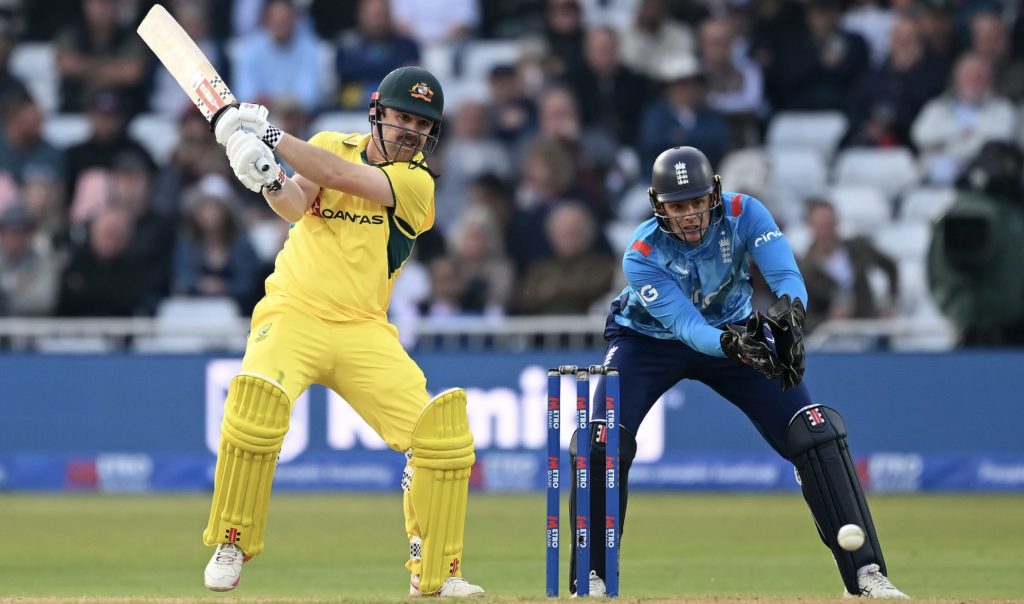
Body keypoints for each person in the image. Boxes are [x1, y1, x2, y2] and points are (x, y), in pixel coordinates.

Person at [569, 146, 910, 599]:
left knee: (815, 431)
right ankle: (589, 580)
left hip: (735, 329)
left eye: (696, 202)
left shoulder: (746, 212)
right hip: (647, 342)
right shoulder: (641, 254)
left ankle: (866, 575)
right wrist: (732, 343)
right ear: (658, 207)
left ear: (713, 194)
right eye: (677, 206)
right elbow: (688, 328)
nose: (690, 216)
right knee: (602, 440)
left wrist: (791, 316)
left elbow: (786, 275)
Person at [199, 66, 485, 597]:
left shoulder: (416, 182)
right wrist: (267, 177)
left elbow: (344, 177)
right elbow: (293, 206)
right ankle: (232, 540)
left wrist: (272, 137)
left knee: (440, 437)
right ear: (377, 113)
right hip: (294, 312)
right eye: (401, 118)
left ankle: (436, 574)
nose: (410, 132)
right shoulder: (331, 142)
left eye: (422, 125)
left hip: (363, 330)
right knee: (256, 406)